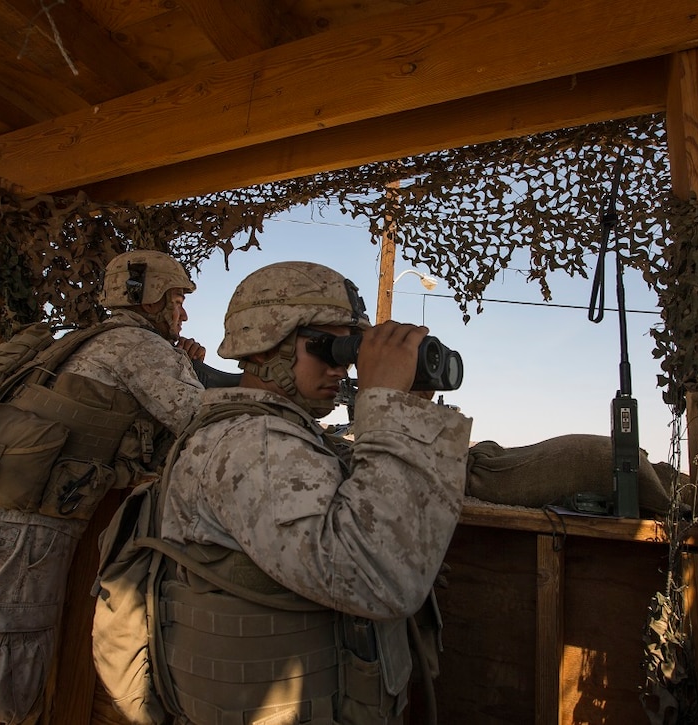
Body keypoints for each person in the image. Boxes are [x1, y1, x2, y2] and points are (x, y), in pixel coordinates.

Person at [158, 261, 473, 724]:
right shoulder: (254, 444)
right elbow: (379, 578)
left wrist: (406, 404)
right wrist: (388, 406)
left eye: (349, 351)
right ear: (266, 345)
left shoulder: (284, 436)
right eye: (327, 347)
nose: (341, 367)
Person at [0, 250, 207, 725]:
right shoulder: (140, 346)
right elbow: (202, 425)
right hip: (20, 534)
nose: (184, 314)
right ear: (150, 297)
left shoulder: (85, 339)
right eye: (177, 299)